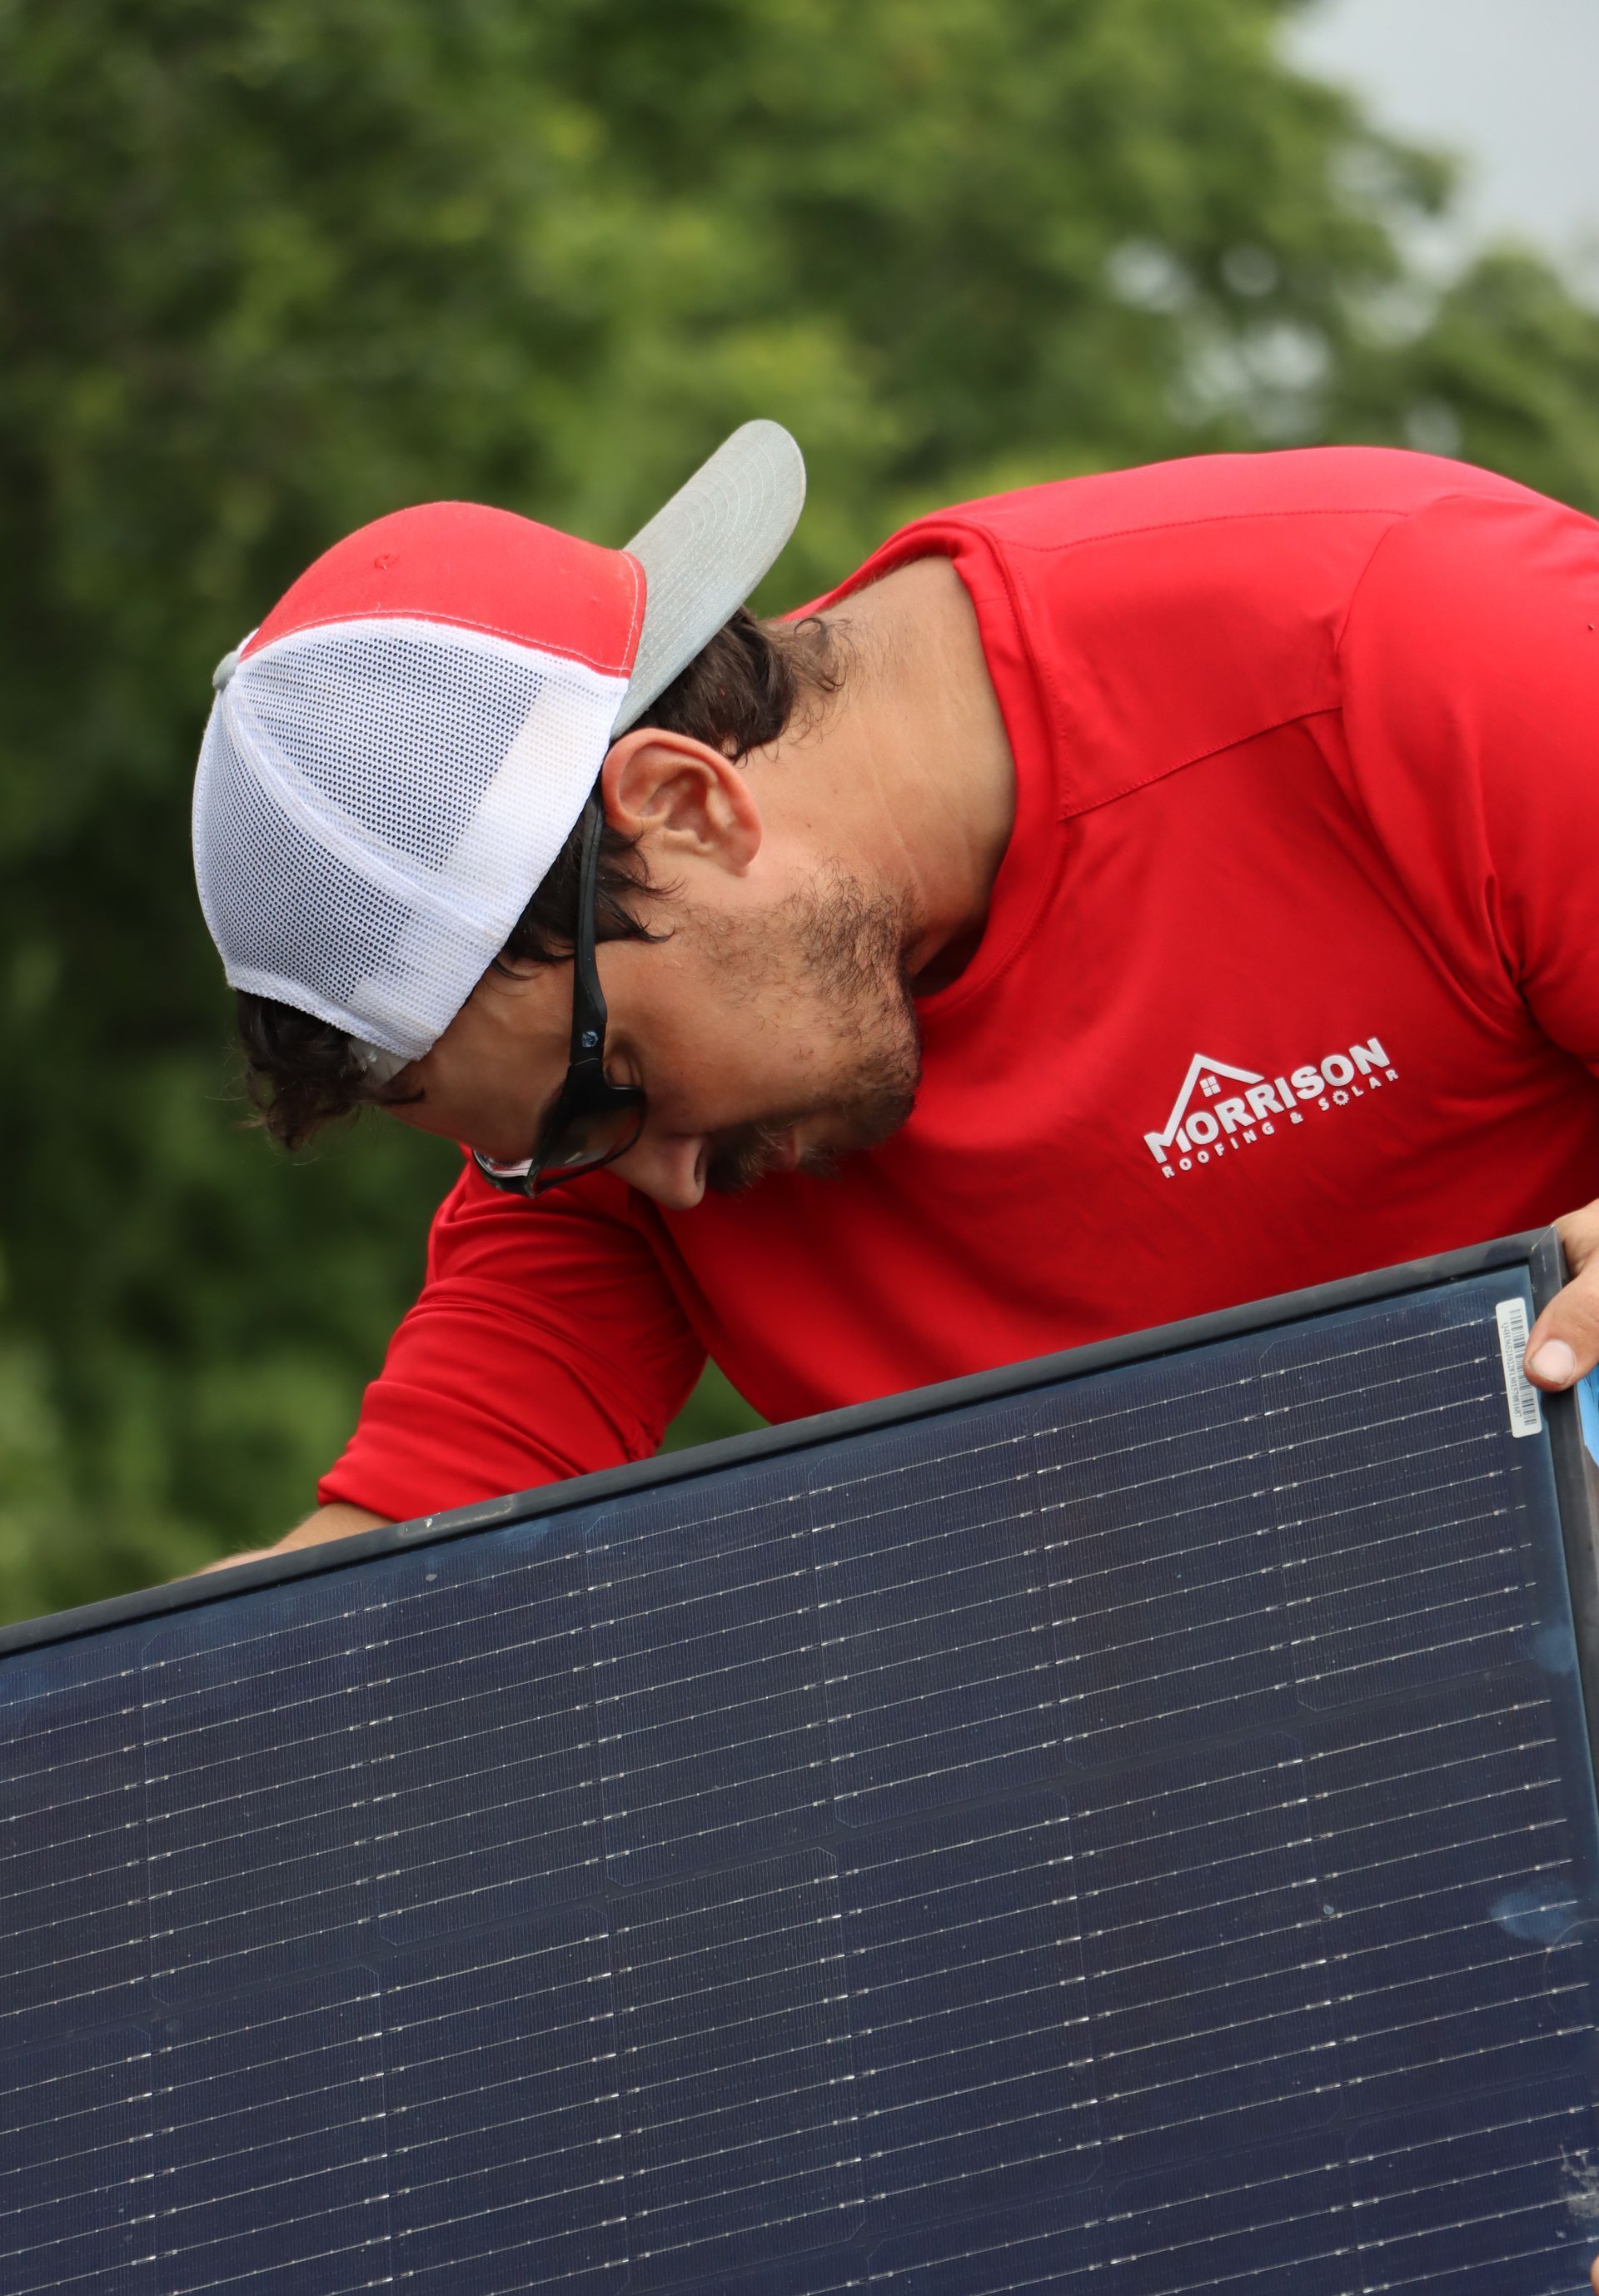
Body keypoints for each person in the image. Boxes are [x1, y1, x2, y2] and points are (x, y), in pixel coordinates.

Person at [194, 419, 1599, 1571]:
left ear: (685, 805)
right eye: (537, 1153)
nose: (661, 1187)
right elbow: (375, 1594)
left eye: (602, 1098)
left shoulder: (1426, 645)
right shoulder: (612, 1122)